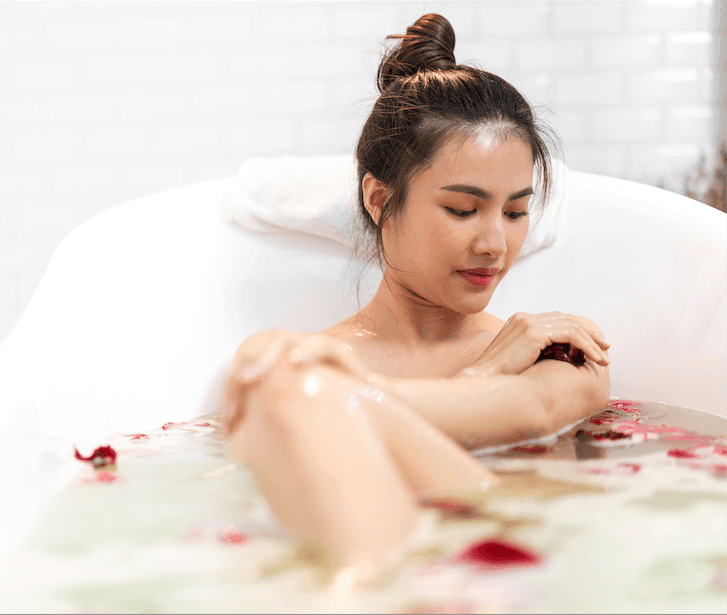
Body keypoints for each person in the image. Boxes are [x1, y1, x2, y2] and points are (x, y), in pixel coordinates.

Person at [218, 13, 611, 590]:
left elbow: (534, 412)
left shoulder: (555, 354)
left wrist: (317, 393)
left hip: (513, 575)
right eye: (462, 209)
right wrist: (482, 375)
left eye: (516, 211)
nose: (494, 243)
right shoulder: (295, 358)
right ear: (380, 200)